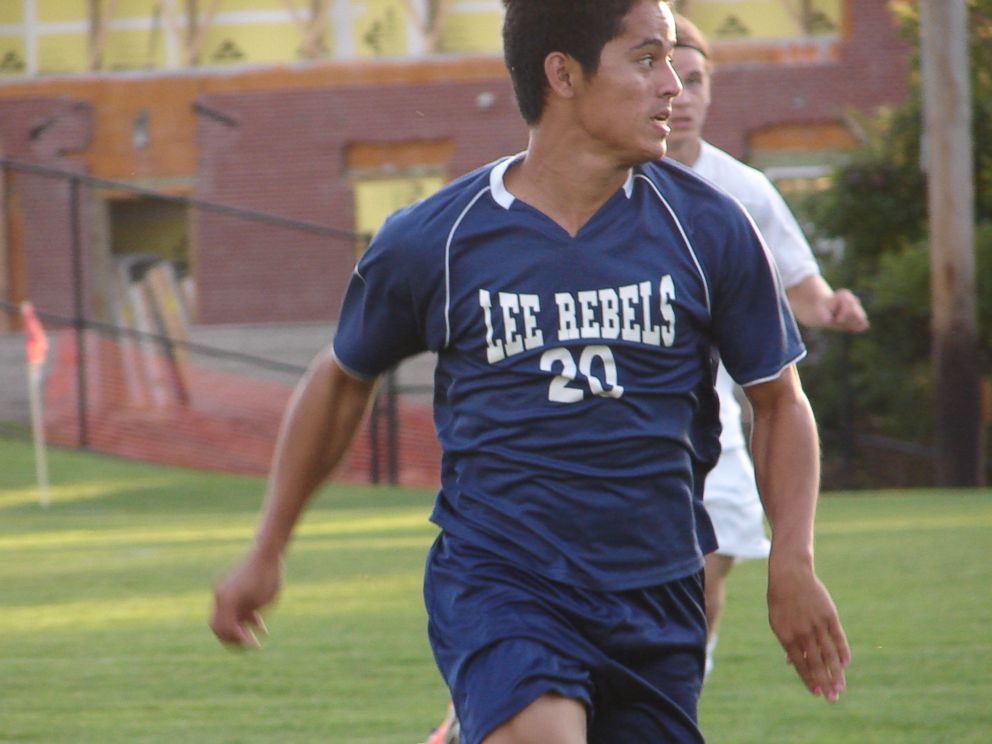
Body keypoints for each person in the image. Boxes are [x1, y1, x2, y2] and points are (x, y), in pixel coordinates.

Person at [210, 2, 850, 742]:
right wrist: (267, 550)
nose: (674, 85)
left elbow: (779, 401)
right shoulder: (436, 239)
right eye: (647, 59)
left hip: (659, 591)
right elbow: (341, 377)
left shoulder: (710, 228)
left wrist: (793, 562)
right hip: (503, 580)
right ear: (563, 75)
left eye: (674, 59)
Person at [666, 13, 869, 678]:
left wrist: (828, 306)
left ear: (709, 90)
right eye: (668, 75)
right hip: (617, 423)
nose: (682, 94)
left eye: (695, 79)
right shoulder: (605, 182)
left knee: (701, 577)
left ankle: (677, 691)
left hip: (713, 423)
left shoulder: (740, 191)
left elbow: (798, 284)